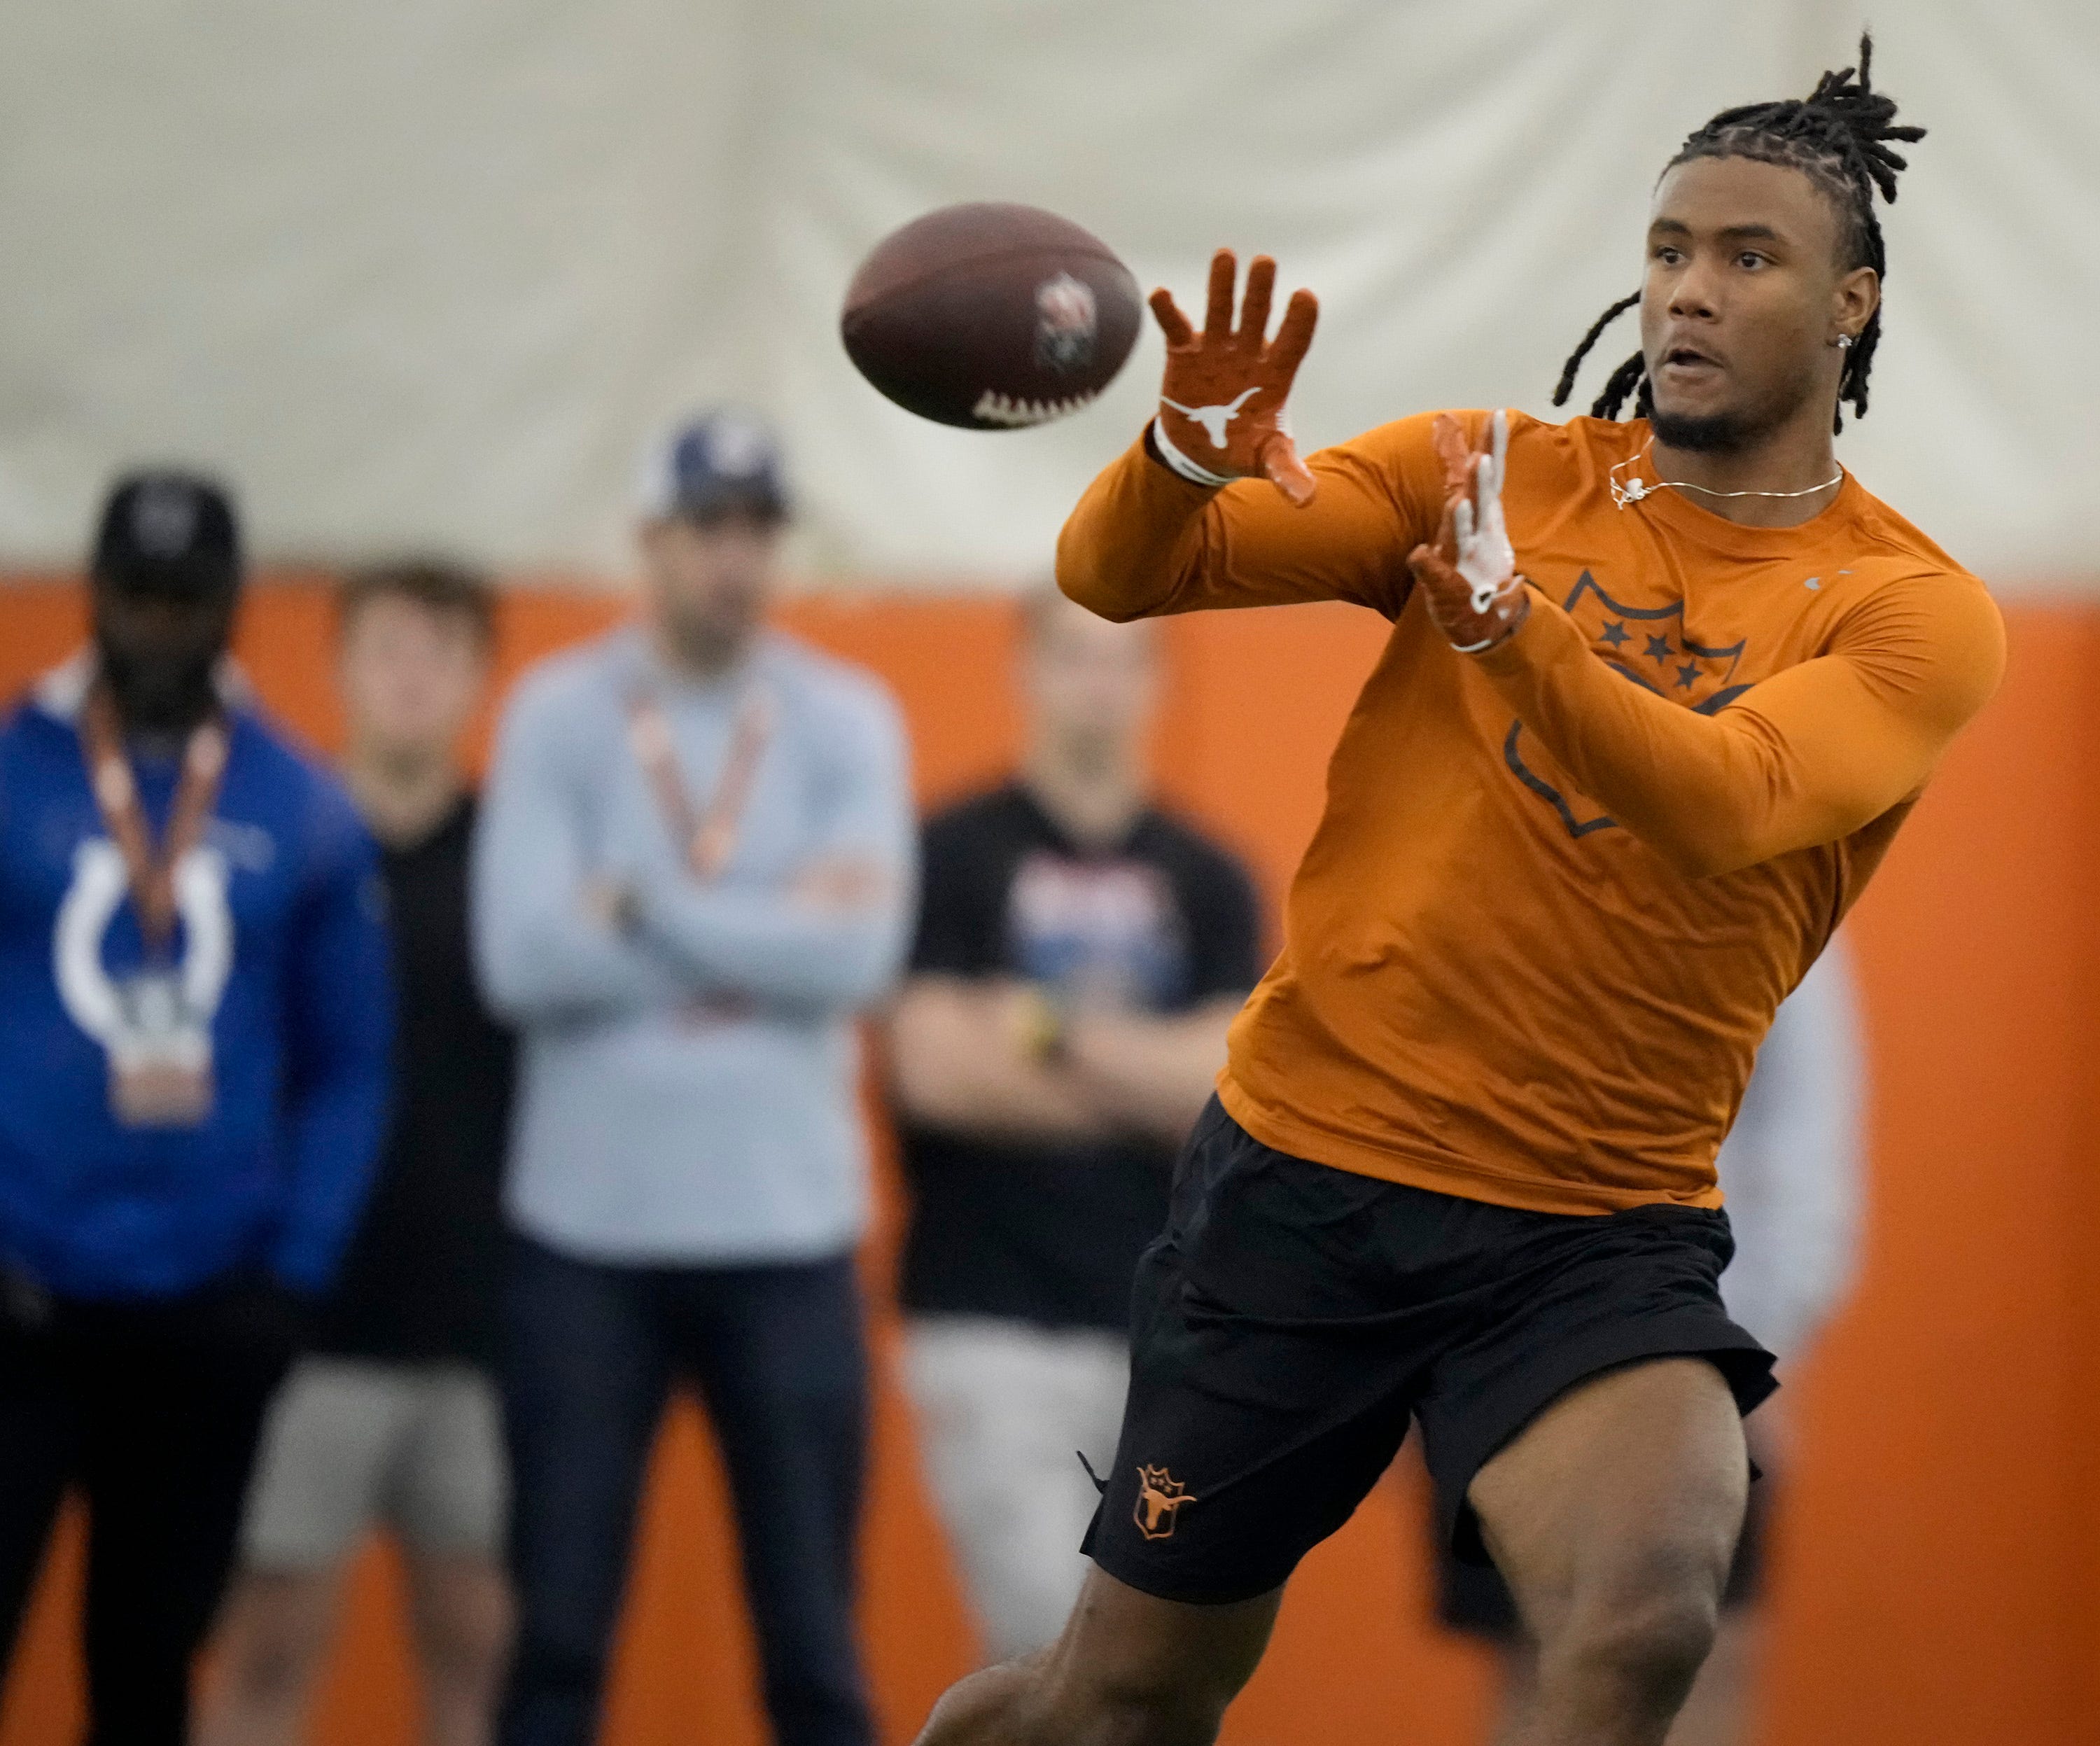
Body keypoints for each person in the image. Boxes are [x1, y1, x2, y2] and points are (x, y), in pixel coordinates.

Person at [915, 39, 2002, 1746]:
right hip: (1307, 1181)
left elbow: (1734, 802)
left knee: (1646, 1610)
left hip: (1590, 1224)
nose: (1688, 292)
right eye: (1664, 252)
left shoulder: (1910, 607)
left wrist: (1515, 637)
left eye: (1745, 257)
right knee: (1116, 1705)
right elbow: (1116, 574)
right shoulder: (1487, 469)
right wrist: (1182, 453)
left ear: (1850, 304)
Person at [472, 412, 915, 1746]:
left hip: (786, 1240)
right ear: (650, 541)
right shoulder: (559, 711)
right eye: (710, 528)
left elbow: (857, 953)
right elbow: (520, 959)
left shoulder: (845, 717)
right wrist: (764, 912)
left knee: (816, 1650)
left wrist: (642, 898)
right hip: (584, 1243)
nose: (738, 559)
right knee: (553, 1641)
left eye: (758, 531)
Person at [0, 471, 393, 1745]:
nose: (159, 626)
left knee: (148, 1662)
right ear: (95, 597)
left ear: (231, 605)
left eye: (187, 600)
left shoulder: (302, 800)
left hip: (206, 1312)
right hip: (22, 1298)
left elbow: (350, 1062)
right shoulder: (13, 769)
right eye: (136, 596)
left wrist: (294, 1269)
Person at [889, 587, 1261, 1663]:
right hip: (989, 1324)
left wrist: (1043, 1027)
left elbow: (1228, 1096)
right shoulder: (951, 853)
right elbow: (932, 1069)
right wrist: (1151, 1062)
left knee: (1150, 1683)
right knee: (1051, 1658)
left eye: (1125, 660)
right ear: (1025, 670)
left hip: (1170, 1342)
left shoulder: (1211, 877)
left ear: (1157, 682)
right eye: (1074, 658)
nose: (1098, 686)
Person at [202, 561, 517, 1746]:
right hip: (302, 1326)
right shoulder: (273, 851)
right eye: (388, 645)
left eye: (441, 650)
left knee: (479, 1646)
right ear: (336, 668)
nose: (412, 674)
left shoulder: (517, 859)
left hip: (477, 1325)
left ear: (481, 678)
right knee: (266, 1643)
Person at [1435, 941, 1865, 1746]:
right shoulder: (1474, 878)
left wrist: (1763, 1357)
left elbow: (1809, 1142)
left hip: (1708, 1354)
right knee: (1538, 1659)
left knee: (1702, 1657)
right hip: (1495, 1346)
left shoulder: (1777, 886)